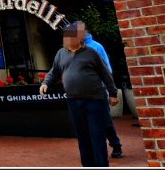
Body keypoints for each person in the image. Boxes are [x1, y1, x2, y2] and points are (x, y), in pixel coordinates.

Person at [40, 22, 119, 167]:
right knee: (83, 136)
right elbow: (54, 71)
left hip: (95, 100)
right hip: (73, 101)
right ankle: (88, 164)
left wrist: (113, 93)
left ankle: (101, 165)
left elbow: (105, 73)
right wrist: (45, 83)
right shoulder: (61, 53)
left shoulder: (91, 52)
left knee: (97, 135)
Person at [78, 22, 123, 159]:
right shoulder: (74, 48)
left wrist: (110, 89)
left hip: (98, 88)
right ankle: (95, 147)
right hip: (81, 90)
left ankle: (115, 144)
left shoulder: (96, 47)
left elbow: (107, 68)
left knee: (104, 118)